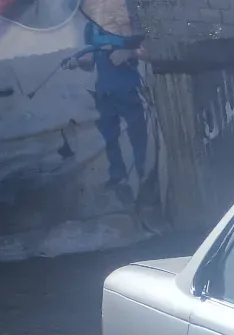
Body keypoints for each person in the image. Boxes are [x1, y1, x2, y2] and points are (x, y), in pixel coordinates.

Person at [65, 8, 147, 206]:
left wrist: (128, 52)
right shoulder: (90, 28)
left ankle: (143, 176)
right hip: (104, 93)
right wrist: (76, 62)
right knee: (110, 138)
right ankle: (117, 176)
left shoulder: (125, 21)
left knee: (138, 137)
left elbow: (146, 48)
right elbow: (89, 62)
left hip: (127, 90)